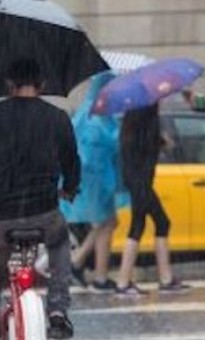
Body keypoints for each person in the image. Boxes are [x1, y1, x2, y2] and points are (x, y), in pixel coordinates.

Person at [0, 59, 79, 340]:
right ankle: (58, 310)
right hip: (44, 214)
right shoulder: (58, 117)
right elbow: (72, 165)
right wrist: (70, 188)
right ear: (42, 85)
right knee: (61, 241)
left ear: (9, 85)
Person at [114, 103, 191, 297]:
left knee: (145, 225)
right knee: (156, 224)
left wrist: (161, 141)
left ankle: (158, 279)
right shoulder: (148, 126)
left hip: (137, 182)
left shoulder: (133, 126)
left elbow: (146, 150)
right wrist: (162, 140)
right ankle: (129, 282)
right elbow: (151, 149)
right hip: (142, 184)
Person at [60, 71, 124, 293]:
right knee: (105, 224)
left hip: (98, 179)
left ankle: (81, 265)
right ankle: (97, 276)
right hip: (94, 181)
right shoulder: (94, 117)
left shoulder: (95, 113)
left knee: (107, 223)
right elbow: (98, 146)